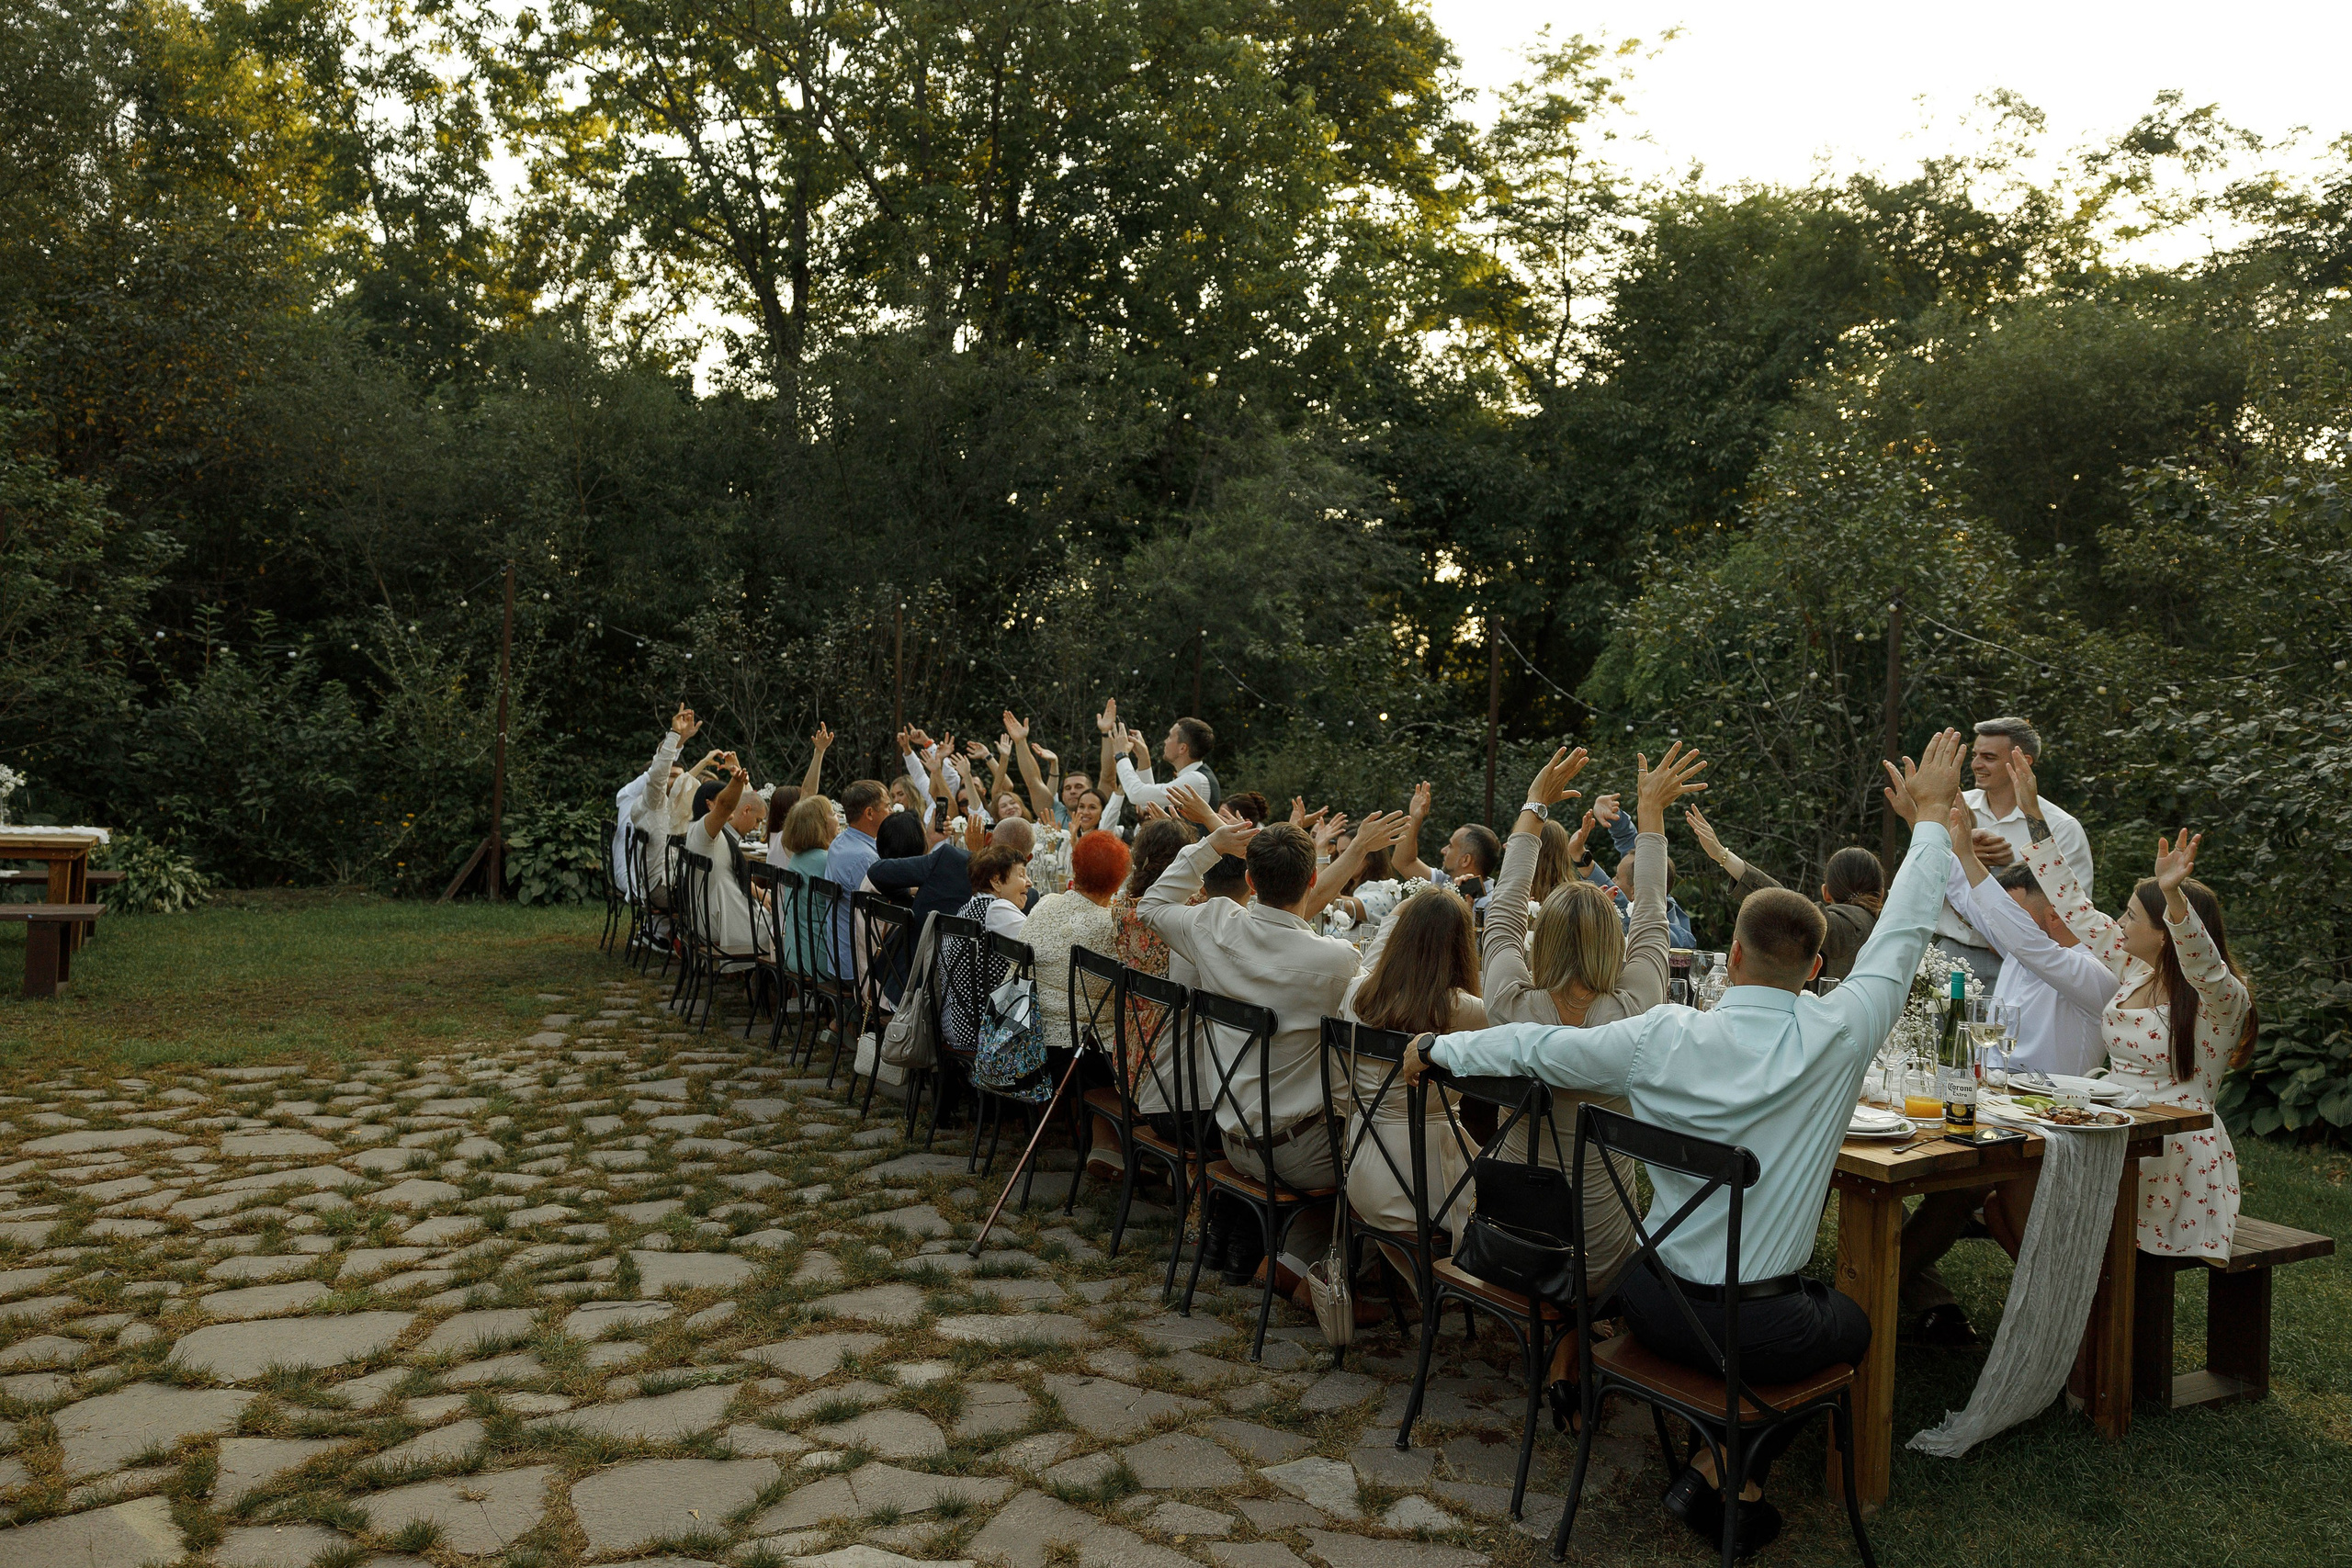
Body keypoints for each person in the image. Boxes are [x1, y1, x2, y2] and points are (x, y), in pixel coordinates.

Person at [1401, 728, 1971, 1556]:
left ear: (1729, 956)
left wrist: (1440, 1049)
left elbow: (1532, 1047)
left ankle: (1720, 1466)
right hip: (1760, 1329)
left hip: (1650, 1303)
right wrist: (1927, 820)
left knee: (1802, 1316)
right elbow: (1904, 931)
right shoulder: (1843, 1031)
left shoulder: (1658, 1035)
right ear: (1815, 969)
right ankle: (1724, 1468)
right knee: (1852, 1321)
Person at [1140, 786, 1406, 1289]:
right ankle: (1328, 1264)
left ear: (1248, 879)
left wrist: (1210, 844)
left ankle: (1273, 1244)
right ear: (1312, 879)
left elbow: (1153, 903)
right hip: (1302, 1156)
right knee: (1393, 1134)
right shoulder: (1335, 960)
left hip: (1232, 1137)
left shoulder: (1213, 925)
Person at [2009, 750, 2254, 1261]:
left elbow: (2203, 964)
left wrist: (2175, 901)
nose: (2118, 923)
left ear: (2164, 936)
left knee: (2046, 1215)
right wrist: (2033, 816)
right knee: (2007, 1196)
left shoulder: (2221, 1002)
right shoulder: (2133, 967)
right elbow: (2073, 904)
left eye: (2131, 915)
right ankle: (2083, 1318)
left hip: (2174, 1154)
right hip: (2110, 1131)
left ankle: (2099, 1322)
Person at [1894, 796, 2122, 1341]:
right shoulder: (2027, 949)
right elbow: (1966, 900)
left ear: (2048, 916)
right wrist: (1928, 828)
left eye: (2012, 911)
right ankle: (1892, 1280)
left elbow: (1999, 920)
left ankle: (1879, 1282)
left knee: (1956, 1188)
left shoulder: (2093, 972)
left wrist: (1968, 857)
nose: (1999, 922)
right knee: (1929, 1170)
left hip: (2048, 1130)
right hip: (1993, 1110)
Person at [1337, 884, 1487, 1311]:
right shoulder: (1465, 1009)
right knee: (1523, 1189)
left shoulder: (1357, 993)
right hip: (1425, 1180)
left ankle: (1419, 1287)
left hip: (1361, 1166)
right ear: (1462, 948)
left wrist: (1400, 915)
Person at [1933, 716, 2095, 990]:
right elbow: (1922, 876)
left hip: (2022, 965)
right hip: (1949, 954)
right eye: (1975, 755)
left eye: (1989, 757)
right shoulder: (1953, 808)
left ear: (2023, 762)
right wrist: (1956, 852)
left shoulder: (2060, 827)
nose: (1976, 765)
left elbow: (2074, 909)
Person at [1023, 829, 1133, 1179]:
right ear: (1119, 881)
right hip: (1081, 1057)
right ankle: (1125, 1141)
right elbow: (1125, 999)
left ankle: (1104, 1139)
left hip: (1030, 1039)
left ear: (1074, 867)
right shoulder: (1109, 928)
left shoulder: (1046, 904)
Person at [1683, 808, 1883, 981]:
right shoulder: (1891, 928)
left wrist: (1722, 855)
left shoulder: (1838, 927)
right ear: (1881, 893)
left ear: (1826, 893)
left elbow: (1784, 904)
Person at [937, 844, 1034, 1057]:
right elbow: (1041, 948)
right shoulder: (997, 909)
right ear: (996, 881)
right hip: (983, 1032)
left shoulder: (970, 907)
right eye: (1021, 875)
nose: (1029, 882)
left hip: (955, 1025)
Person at [684, 757, 772, 959]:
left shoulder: (708, 833)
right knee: (788, 930)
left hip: (710, 917)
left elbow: (746, 802)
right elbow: (725, 805)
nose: (734, 806)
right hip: (720, 923)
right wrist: (736, 782)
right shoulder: (705, 833)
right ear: (709, 805)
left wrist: (760, 893)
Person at [1589, 793, 1697, 949]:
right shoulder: (1659, 890)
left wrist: (1585, 863)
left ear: (1635, 892)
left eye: (1618, 878)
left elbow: (1640, 918)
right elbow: (1632, 846)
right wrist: (1614, 816)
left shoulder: (1675, 938)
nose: (1612, 880)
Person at [1393, 784, 1503, 910]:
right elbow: (1403, 862)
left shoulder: (1490, 905)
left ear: (1465, 860)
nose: (1443, 850)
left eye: (1450, 846)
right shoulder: (1444, 882)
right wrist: (1414, 818)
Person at [824, 779, 890, 975]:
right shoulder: (865, 857)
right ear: (869, 813)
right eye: (887, 807)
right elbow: (884, 915)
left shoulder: (841, 840)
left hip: (838, 956)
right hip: (858, 967)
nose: (891, 812)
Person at [1109, 699, 1220, 811]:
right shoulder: (1194, 778)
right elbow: (1149, 805)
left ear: (1182, 748)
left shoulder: (1196, 779)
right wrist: (1143, 758)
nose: (1165, 741)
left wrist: (1121, 755)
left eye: (1170, 736)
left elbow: (1136, 794)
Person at [777, 794, 839, 978]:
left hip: (795, 954)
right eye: (834, 813)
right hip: (820, 960)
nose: (838, 818)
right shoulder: (827, 861)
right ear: (819, 824)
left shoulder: (797, 858)